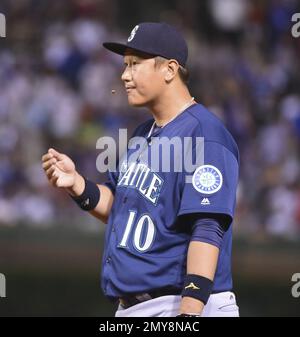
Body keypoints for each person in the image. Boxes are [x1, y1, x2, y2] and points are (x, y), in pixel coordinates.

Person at [41, 22, 240, 317]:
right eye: (125, 65)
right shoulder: (142, 134)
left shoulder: (205, 135)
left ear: (170, 70)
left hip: (182, 303)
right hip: (136, 307)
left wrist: (188, 314)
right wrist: (77, 184)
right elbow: (121, 208)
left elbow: (208, 228)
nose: (124, 75)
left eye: (135, 64)